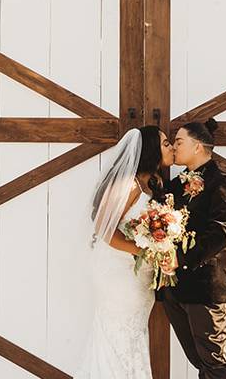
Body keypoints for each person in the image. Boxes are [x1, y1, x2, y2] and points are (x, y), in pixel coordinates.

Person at [73, 125, 175, 379]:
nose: (171, 147)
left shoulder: (151, 185)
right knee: (117, 336)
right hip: (119, 274)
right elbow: (104, 229)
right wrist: (145, 250)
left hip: (138, 276)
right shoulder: (127, 184)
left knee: (134, 336)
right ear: (151, 150)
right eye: (165, 143)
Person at [156, 118, 226, 378]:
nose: (174, 147)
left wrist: (179, 258)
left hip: (209, 290)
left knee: (214, 365)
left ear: (197, 146)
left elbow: (221, 234)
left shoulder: (225, 183)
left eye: (179, 142)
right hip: (176, 292)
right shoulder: (173, 187)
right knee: (202, 364)